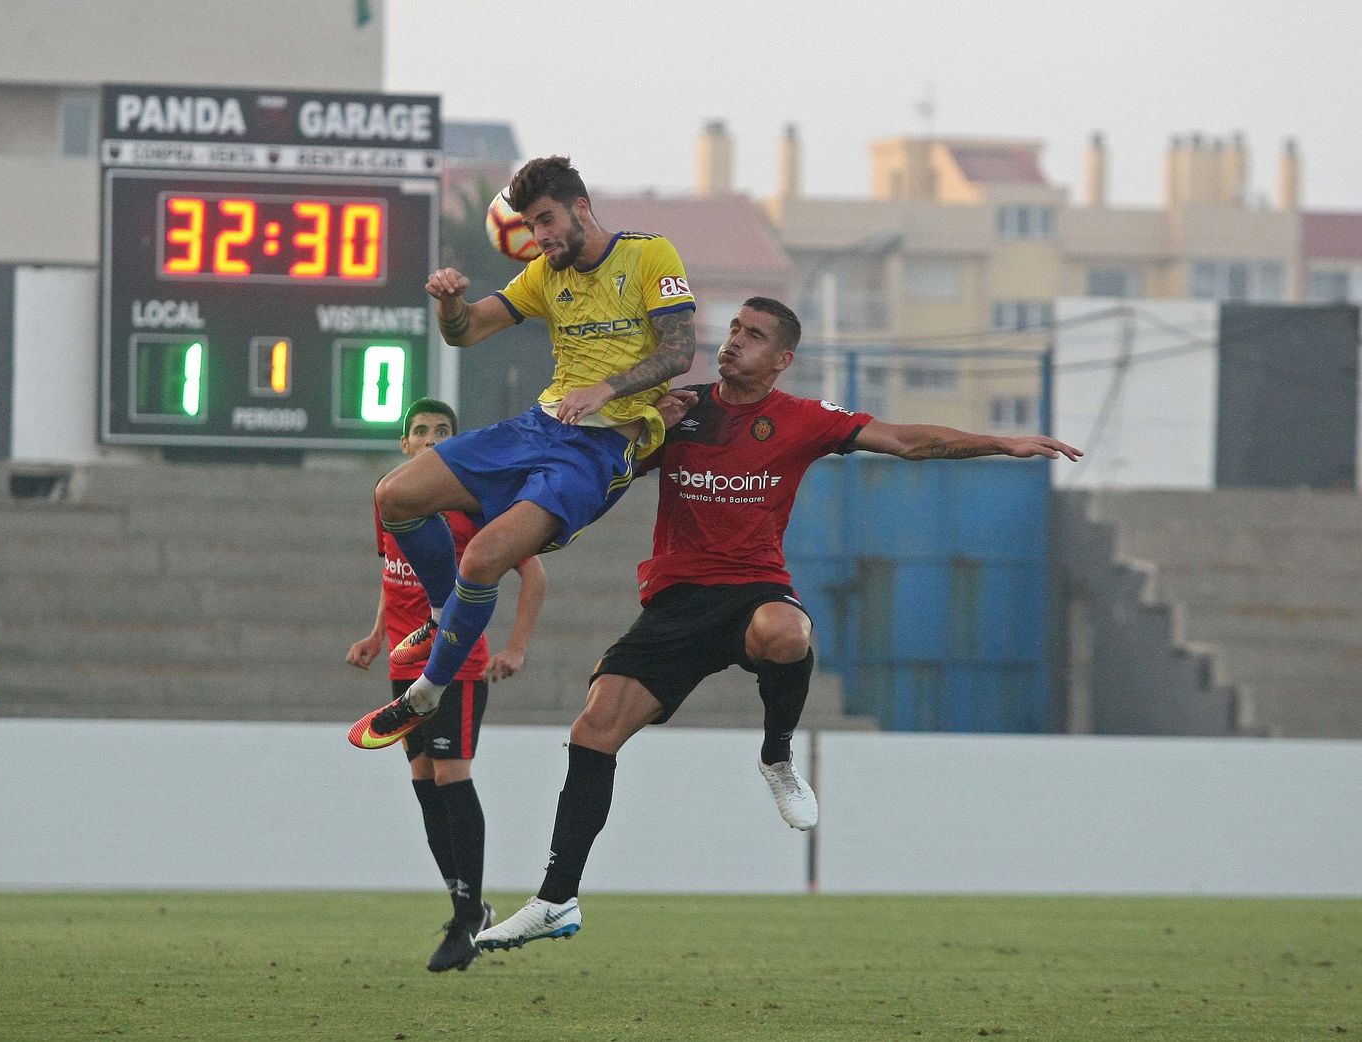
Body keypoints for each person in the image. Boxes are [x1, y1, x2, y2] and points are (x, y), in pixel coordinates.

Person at [474, 297, 1082, 950]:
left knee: (787, 632)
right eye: (734, 329)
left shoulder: (802, 420)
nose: (734, 341)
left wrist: (1002, 441)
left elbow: (905, 441)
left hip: (752, 593)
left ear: (782, 360)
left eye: (754, 335)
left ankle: (776, 757)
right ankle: (557, 899)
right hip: (676, 605)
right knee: (593, 731)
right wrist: (637, 428)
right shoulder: (684, 409)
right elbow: (601, 473)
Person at [348, 155, 697, 750]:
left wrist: (607, 390)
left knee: (482, 559)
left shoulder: (648, 255)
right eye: (530, 226)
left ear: (580, 208)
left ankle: (425, 693)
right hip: (539, 428)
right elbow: (468, 330)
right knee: (394, 495)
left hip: (598, 452)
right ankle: (441, 615)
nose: (538, 237)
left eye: (545, 220)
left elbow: (681, 350)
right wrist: (449, 303)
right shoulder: (545, 273)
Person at [346, 398, 548, 972]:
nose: (431, 440)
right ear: (404, 444)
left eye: (443, 432)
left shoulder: (473, 505)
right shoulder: (392, 499)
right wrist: (376, 636)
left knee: (451, 774)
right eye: (421, 432)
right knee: (423, 781)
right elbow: (393, 573)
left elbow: (534, 574)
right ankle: (468, 906)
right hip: (406, 666)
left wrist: (516, 647)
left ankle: (466, 919)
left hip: (456, 664)